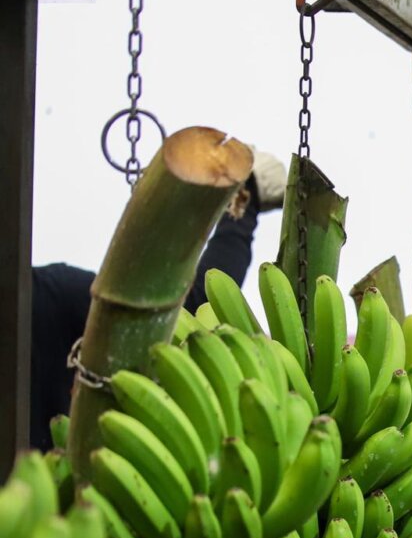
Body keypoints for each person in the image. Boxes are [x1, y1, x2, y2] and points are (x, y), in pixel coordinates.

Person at [29, 149, 287, 450]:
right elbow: (194, 304)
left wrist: (241, 200)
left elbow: (188, 307)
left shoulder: (44, 296)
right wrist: (246, 198)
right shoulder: (47, 294)